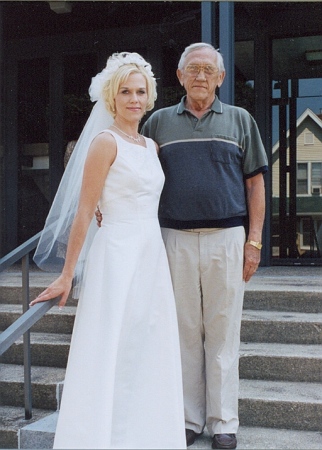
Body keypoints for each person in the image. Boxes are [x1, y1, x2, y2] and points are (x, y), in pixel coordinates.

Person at [30, 52, 186, 449]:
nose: (134, 98)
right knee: (111, 346)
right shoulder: (105, 141)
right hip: (116, 254)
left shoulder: (151, 146)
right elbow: (84, 212)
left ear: (149, 96)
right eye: (125, 92)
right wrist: (67, 274)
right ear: (111, 98)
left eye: (140, 91)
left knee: (146, 347)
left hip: (151, 255)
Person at [142, 42, 268, 449]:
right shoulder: (157, 123)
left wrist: (254, 240)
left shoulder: (240, 120)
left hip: (228, 239)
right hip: (173, 239)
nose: (199, 76)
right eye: (192, 69)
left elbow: (255, 183)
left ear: (221, 77)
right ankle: (188, 419)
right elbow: (139, 177)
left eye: (207, 70)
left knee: (223, 332)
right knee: (182, 333)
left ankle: (223, 421)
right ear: (179, 77)